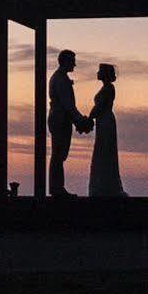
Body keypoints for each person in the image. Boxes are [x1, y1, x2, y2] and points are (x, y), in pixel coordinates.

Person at [46, 49, 92, 197]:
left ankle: (57, 188)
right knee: (58, 155)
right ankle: (56, 189)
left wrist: (77, 120)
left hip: (60, 119)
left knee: (59, 155)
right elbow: (68, 105)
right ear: (65, 61)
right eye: (72, 61)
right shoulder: (60, 79)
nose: (75, 64)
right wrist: (80, 120)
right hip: (60, 120)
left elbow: (68, 106)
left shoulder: (60, 77)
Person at [87, 63, 127, 197]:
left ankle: (105, 186)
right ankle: (103, 184)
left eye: (99, 70)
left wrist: (88, 119)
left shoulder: (109, 88)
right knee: (102, 151)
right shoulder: (106, 87)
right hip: (103, 121)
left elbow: (99, 107)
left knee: (104, 150)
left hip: (105, 122)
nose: (97, 72)